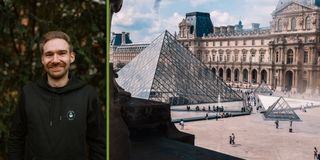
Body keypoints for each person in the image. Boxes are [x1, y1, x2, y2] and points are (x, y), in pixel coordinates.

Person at [7, 31, 106, 159]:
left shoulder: (87, 94)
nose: (55, 60)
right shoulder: (28, 93)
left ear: (71, 57)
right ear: (42, 59)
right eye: (49, 54)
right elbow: (16, 138)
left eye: (61, 53)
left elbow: (99, 144)